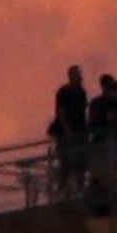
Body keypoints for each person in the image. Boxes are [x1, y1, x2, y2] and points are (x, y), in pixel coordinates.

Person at [48, 65, 88, 198]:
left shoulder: (81, 92)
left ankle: (79, 189)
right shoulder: (64, 91)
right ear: (71, 76)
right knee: (66, 161)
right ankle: (62, 190)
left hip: (79, 131)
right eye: (77, 75)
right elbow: (61, 112)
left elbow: (82, 112)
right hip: (65, 133)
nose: (80, 77)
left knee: (80, 160)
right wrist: (68, 131)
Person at [86, 74, 117, 214]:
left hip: (107, 140)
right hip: (101, 140)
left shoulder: (114, 102)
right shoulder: (98, 103)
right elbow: (93, 121)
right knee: (101, 172)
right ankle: (101, 201)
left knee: (108, 170)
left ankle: (105, 199)